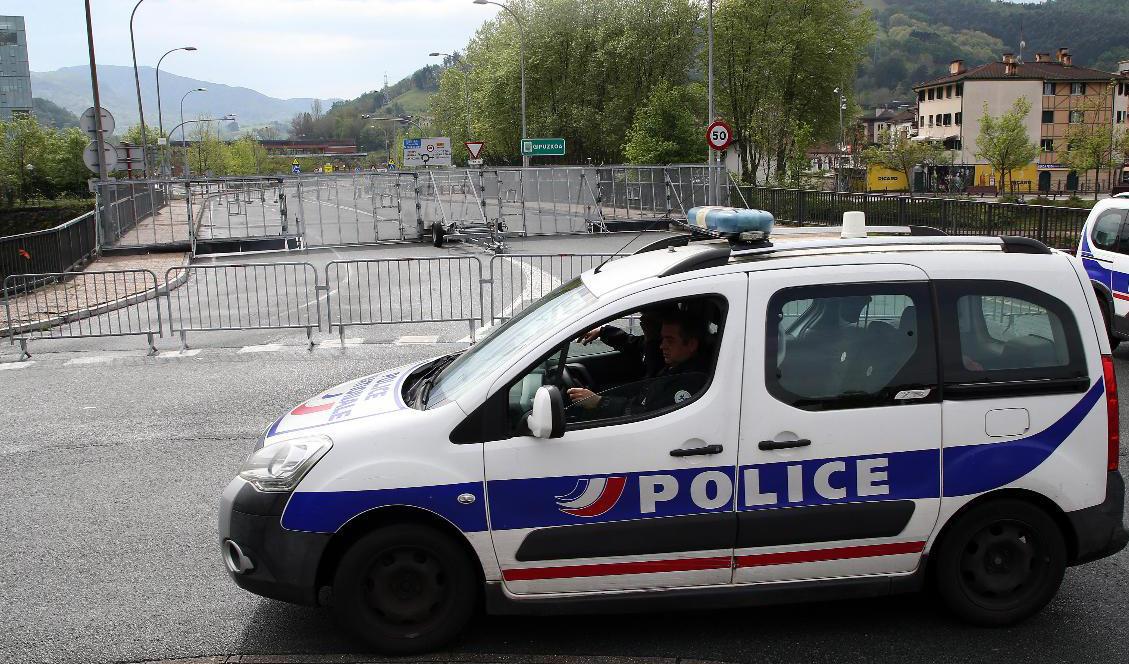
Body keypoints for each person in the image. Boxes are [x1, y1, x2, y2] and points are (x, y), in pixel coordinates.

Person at [567, 311, 711, 417]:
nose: (662, 346)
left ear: (691, 344)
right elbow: (634, 343)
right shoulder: (674, 361)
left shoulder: (691, 380)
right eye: (662, 339)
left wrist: (600, 402)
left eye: (670, 340)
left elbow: (645, 414)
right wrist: (603, 331)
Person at [577, 305, 672, 378]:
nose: (641, 320)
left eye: (647, 318)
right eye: (643, 316)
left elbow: (651, 388)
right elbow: (630, 343)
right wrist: (602, 331)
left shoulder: (667, 354)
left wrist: (600, 401)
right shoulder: (652, 343)